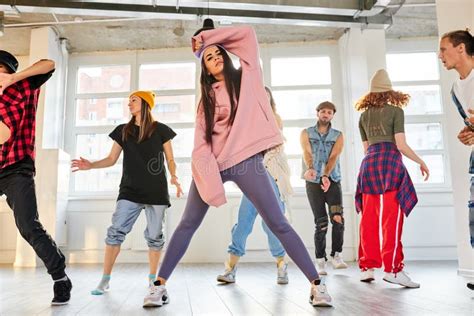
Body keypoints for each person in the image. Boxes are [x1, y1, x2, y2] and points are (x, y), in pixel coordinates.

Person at [143, 19, 332, 308]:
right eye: (209, 57)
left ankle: (317, 286)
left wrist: (206, 38)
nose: (215, 58)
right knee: (187, 224)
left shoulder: (248, 79)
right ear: (204, 68)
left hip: (246, 160)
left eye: (218, 53)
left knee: (278, 222)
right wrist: (209, 178)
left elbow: (247, 35)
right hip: (213, 163)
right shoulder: (205, 98)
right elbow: (201, 141)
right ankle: (158, 286)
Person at [71, 90, 183, 303]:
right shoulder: (123, 130)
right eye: (128, 100)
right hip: (130, 191)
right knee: (115, 233)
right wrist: (91, 165)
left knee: (155, 237)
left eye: (133, 100)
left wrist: (175, 176)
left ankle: (153, 280)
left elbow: (170, 159)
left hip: (156, 192)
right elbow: (111, 159)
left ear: (146, 104)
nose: (129, 103)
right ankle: (105, 279)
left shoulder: (161, 130)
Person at [0, 50, 72, 305]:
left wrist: (13, 79)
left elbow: (49, 63)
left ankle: (60, 278)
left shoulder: (23, 87)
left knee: (28, 225)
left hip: (16, 166)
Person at [355, 69, 430, 288]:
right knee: (392, 219)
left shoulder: (363, 116)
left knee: (368, 218)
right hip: (390, 164)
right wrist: (420, 161)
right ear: (389, 91)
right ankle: (393, 269)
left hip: (369, 165)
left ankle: (367, 267)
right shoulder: (396, 112)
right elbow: (400, 145)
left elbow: (367, 148)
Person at [217, 86, 293, 285]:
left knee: (272, 225)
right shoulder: (245, 120)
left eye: (265, 95)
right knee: (243, 223)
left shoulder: (274, 118)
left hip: (272, 177)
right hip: (253, 176)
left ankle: (281, 266)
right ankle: (230, 269)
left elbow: (267, 145)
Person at [438, 29, 474, 290]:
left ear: (461, 48)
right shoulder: (455, 89)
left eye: (443, 49)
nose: (440, 55)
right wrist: (469, 133)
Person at [300, 101, 347, 275]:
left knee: (337, 218)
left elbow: (334, 156)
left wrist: (326, 175)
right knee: (321, 223)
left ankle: (337, 255)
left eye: (329, 112)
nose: (326, 114)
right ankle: (320, 260)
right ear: (317, 113)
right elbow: (306, 151)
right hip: (313, 182)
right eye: (323, 111)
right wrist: (311, 168)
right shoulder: (306, 133)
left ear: (333, 115)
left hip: (332, 180)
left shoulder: (338, 135)